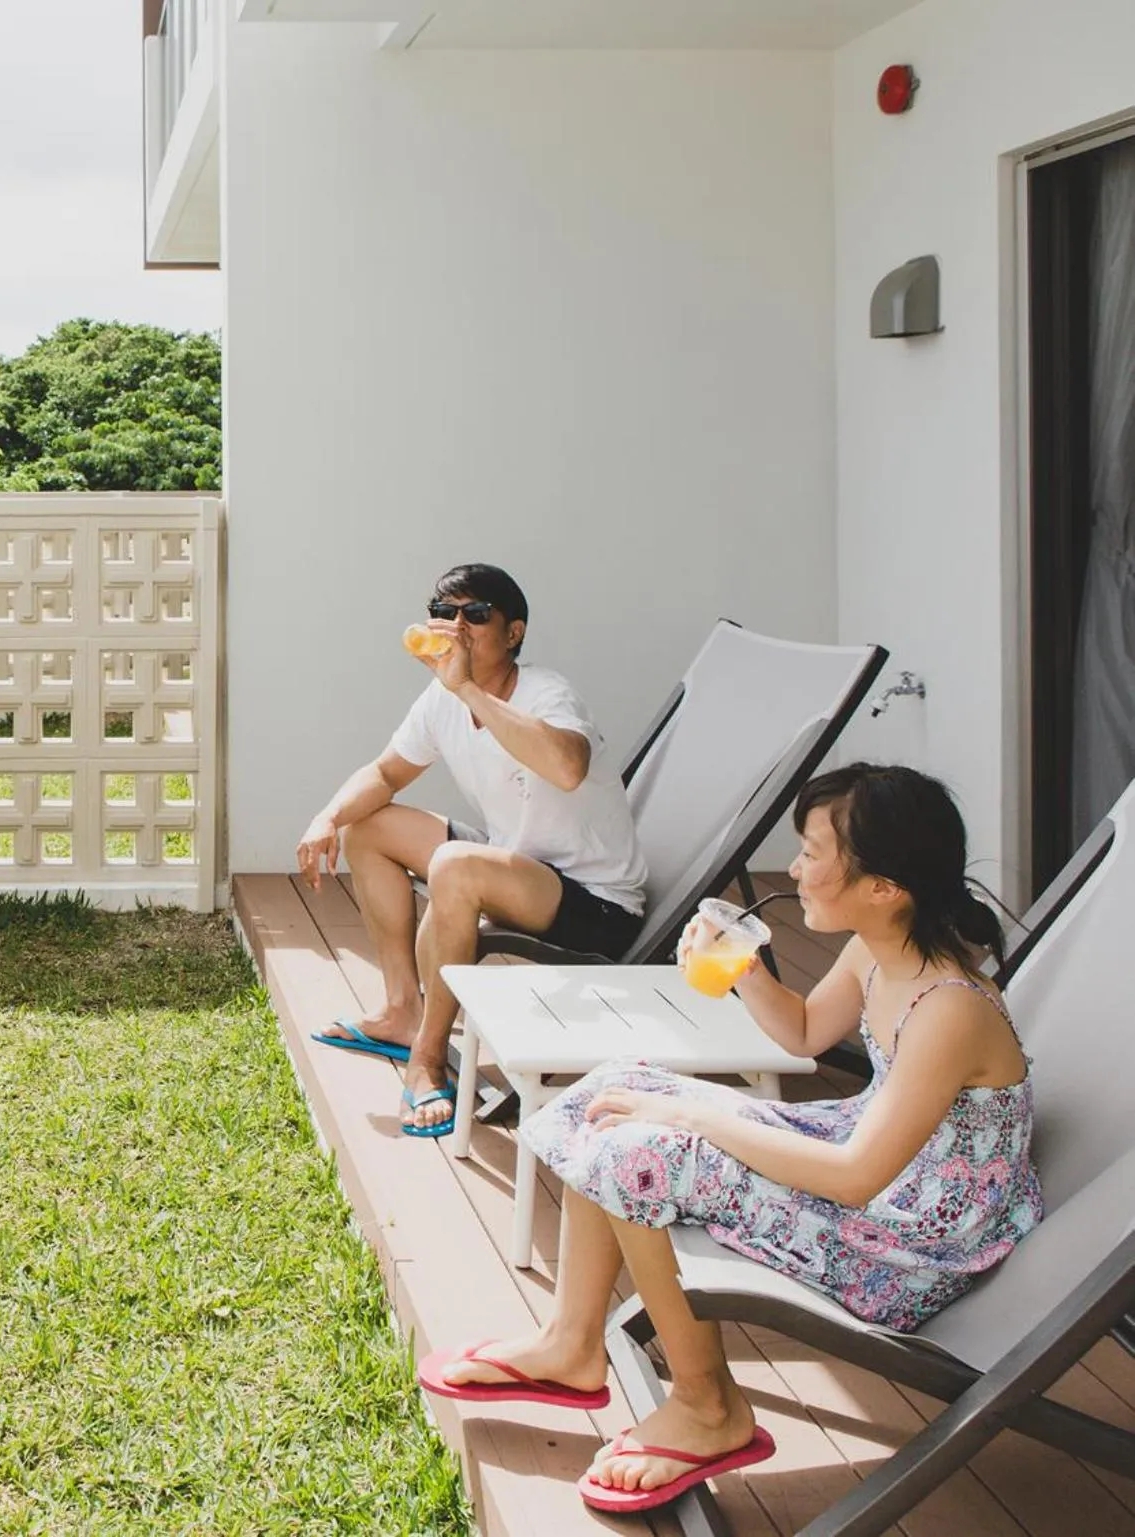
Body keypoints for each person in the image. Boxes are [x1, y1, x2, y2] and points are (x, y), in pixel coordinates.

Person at [420, 764, 1042, 1516]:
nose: (797, 870)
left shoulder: (948, 1006)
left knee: (640, 1145)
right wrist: (745, 970)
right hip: (877, 1170)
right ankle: (570, 1343)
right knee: (615, 1088)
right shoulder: (876, 946)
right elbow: (807, 1031)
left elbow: (852, 1178)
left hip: (908, 1244)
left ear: (882, 886)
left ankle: (710, 1407)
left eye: (814, 854)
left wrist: (696, 1117)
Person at [296, 563, 647, 1136]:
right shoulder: (440, 702)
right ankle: (401, 1011)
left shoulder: (547, 692)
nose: (457, 626)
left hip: (596, 903)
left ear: (514, 633)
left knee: (454, 865)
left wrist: (464, 687)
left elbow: (567, 766)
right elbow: (386, 774)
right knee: (367, 826)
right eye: (444, 613)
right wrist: (327, 817)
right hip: (517, 861)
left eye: (476, 615)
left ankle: (428, 1063)